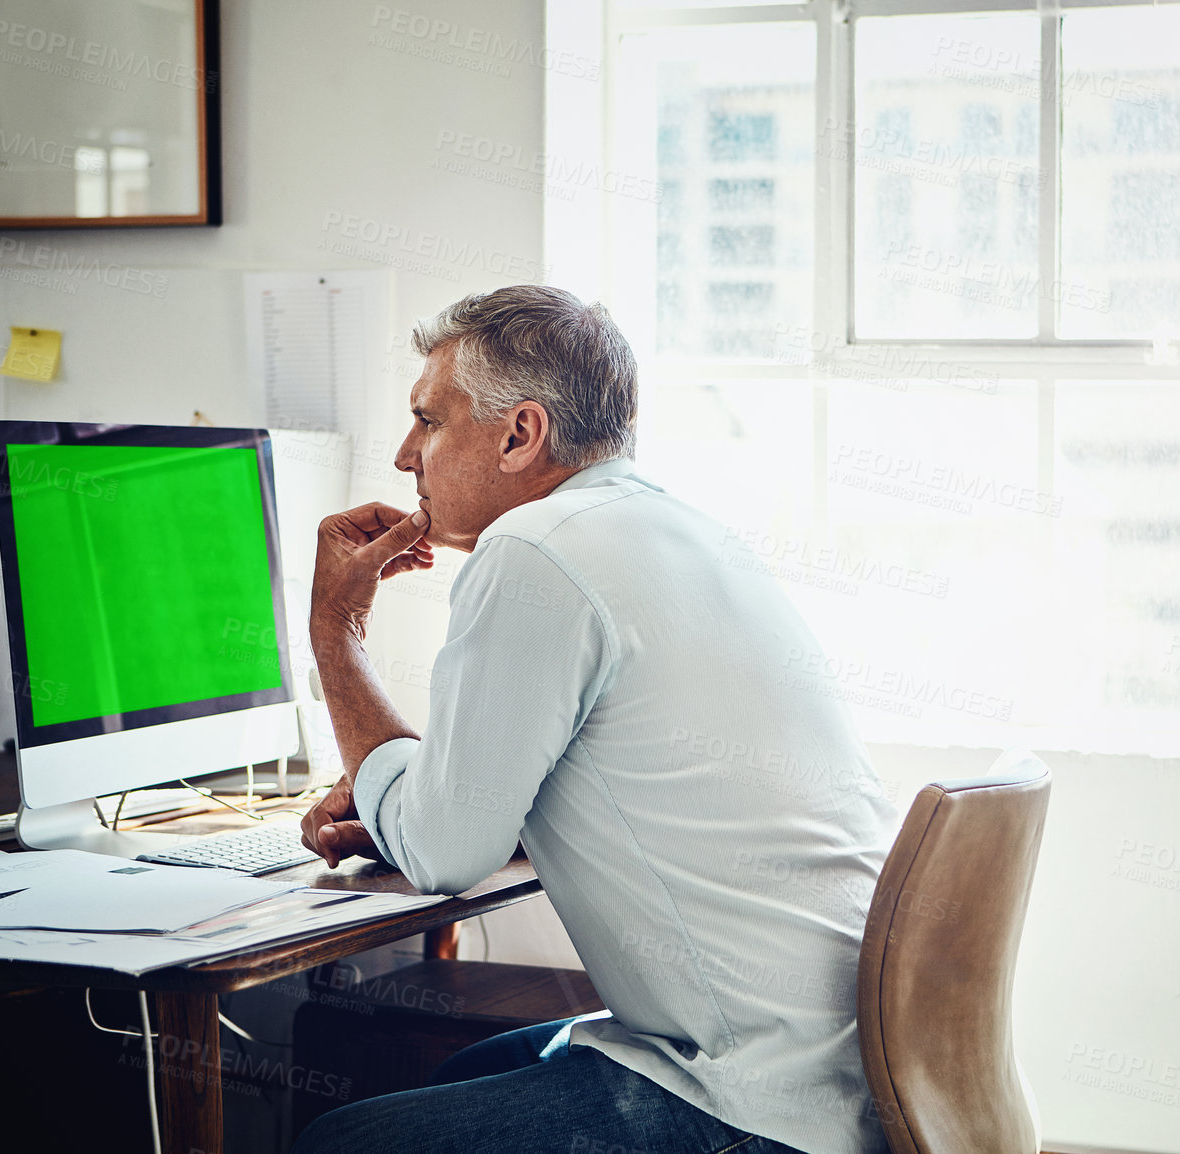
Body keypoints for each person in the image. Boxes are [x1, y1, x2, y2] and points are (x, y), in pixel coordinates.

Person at [292, 285, 897, 1154]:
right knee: (462, 1074)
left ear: (519, 433)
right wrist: (410, 807)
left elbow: (443, 854)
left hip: (753, 1104)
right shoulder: (681, 531)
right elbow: (628, 792)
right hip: (848, 1067)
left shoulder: (533, 549)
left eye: (428, 421)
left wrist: (337, 633)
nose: (402, 455)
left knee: (337, 1143)